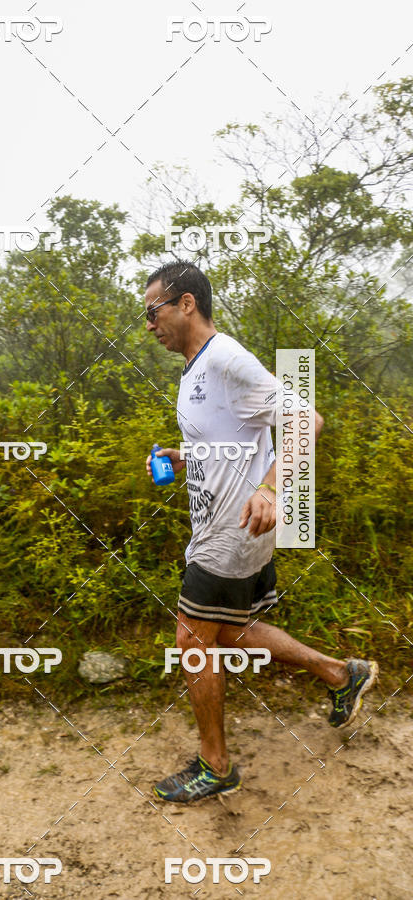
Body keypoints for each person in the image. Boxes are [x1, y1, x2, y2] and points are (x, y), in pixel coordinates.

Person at [144, 260, 378, 804]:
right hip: (221, 523)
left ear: (185, 304)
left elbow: (306, 421)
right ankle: (343, 674)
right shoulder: (195, 368)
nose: (148, 324)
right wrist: (188, 455)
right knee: (231, 631)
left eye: (153, 311)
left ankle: (216, 765)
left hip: (233, 529)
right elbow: (236, 435)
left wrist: (271, 488)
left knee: (191, 638)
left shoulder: (225, 357)